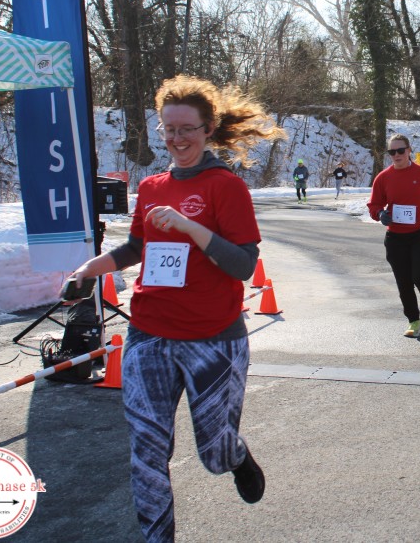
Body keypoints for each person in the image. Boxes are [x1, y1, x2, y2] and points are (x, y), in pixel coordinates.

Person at [68, 75, 285, 542]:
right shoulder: (152, 186)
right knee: (146, 454)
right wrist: (90, 268)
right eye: (169, 129)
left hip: (213, 340)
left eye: (187, 129)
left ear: (208, 130)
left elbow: (243, 265)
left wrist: (191, 227)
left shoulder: (226, 187)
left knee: (214, 454)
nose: (177, 138)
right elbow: (136, 248)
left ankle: (236, 456)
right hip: (149, 333)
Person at [367, 134, 420, 338]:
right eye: (392, 152)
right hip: (395, 238)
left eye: (400, 150)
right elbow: (374, 204)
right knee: (404, 282)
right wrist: (380, 214)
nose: (396, 155)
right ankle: (414, 322)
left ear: (409, 150)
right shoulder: (383, 177)